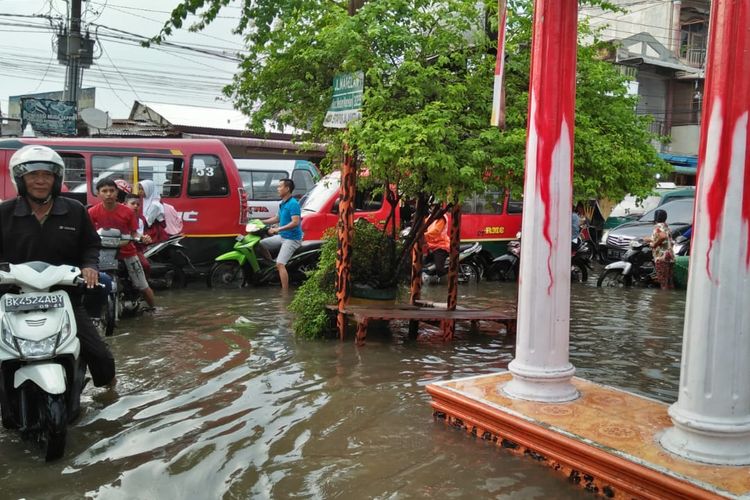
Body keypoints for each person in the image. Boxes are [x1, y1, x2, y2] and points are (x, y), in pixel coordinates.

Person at [0, 145, 115, 388]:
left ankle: (109, 393)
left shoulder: (74, 210)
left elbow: (90, 245)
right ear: (20, 179)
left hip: (63, 296)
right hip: (11, 298)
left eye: (47, 175)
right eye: (33, 175)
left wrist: (89, 266)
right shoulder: (4, 213)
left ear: (57, 179)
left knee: (101, 357)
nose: (40, 181)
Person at [88, 178, 156, 309]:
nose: (108, 194)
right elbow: (89, 233)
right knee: (93, 283)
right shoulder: (92, 212)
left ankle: (154, 309)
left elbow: (134, 233)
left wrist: (142, 238)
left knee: (143, 286)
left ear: (117, 193)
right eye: (104, 191)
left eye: (111, 191)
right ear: (98, 193)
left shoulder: (128, 212)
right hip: (102, 252)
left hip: (127, 252)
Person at [259, 178, 302, 290]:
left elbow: (295, 222)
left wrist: (278, 229)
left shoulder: (293, 204)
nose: (277, 189)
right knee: (260, 244)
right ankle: (272, 266)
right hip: (283, 237)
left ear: (287, 189)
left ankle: (284, 292)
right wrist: (260, 221)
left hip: (292, 239)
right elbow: (277, 218)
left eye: (280, 187)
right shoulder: (283, 203)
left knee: (280, 264)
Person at [644, 208, 675, 290]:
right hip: (670, 257)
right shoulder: (666, 226)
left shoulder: (658, 226)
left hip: (661, 257)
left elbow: (663, 237)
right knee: (669, 282)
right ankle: (669, 299)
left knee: (663, 283)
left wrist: (654, 244)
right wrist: (649, 239)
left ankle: (662, 300)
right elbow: (665, 238)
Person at [138, 179, 168, 243]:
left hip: (153, 233)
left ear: (149, 189)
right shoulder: (144, 200)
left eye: (142, 189)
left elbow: (148, 222)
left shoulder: (155, 204)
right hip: (145, 229)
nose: (139, 191)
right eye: (139, 189)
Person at [424, 213, 450, 280]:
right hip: (432, 246)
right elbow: (425, 223)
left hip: (441, 246)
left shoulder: (441, 218)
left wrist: (423, 235)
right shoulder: (432, 215)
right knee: (423, 263)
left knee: (439, 269)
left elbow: (436, 231)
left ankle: (447, 280)